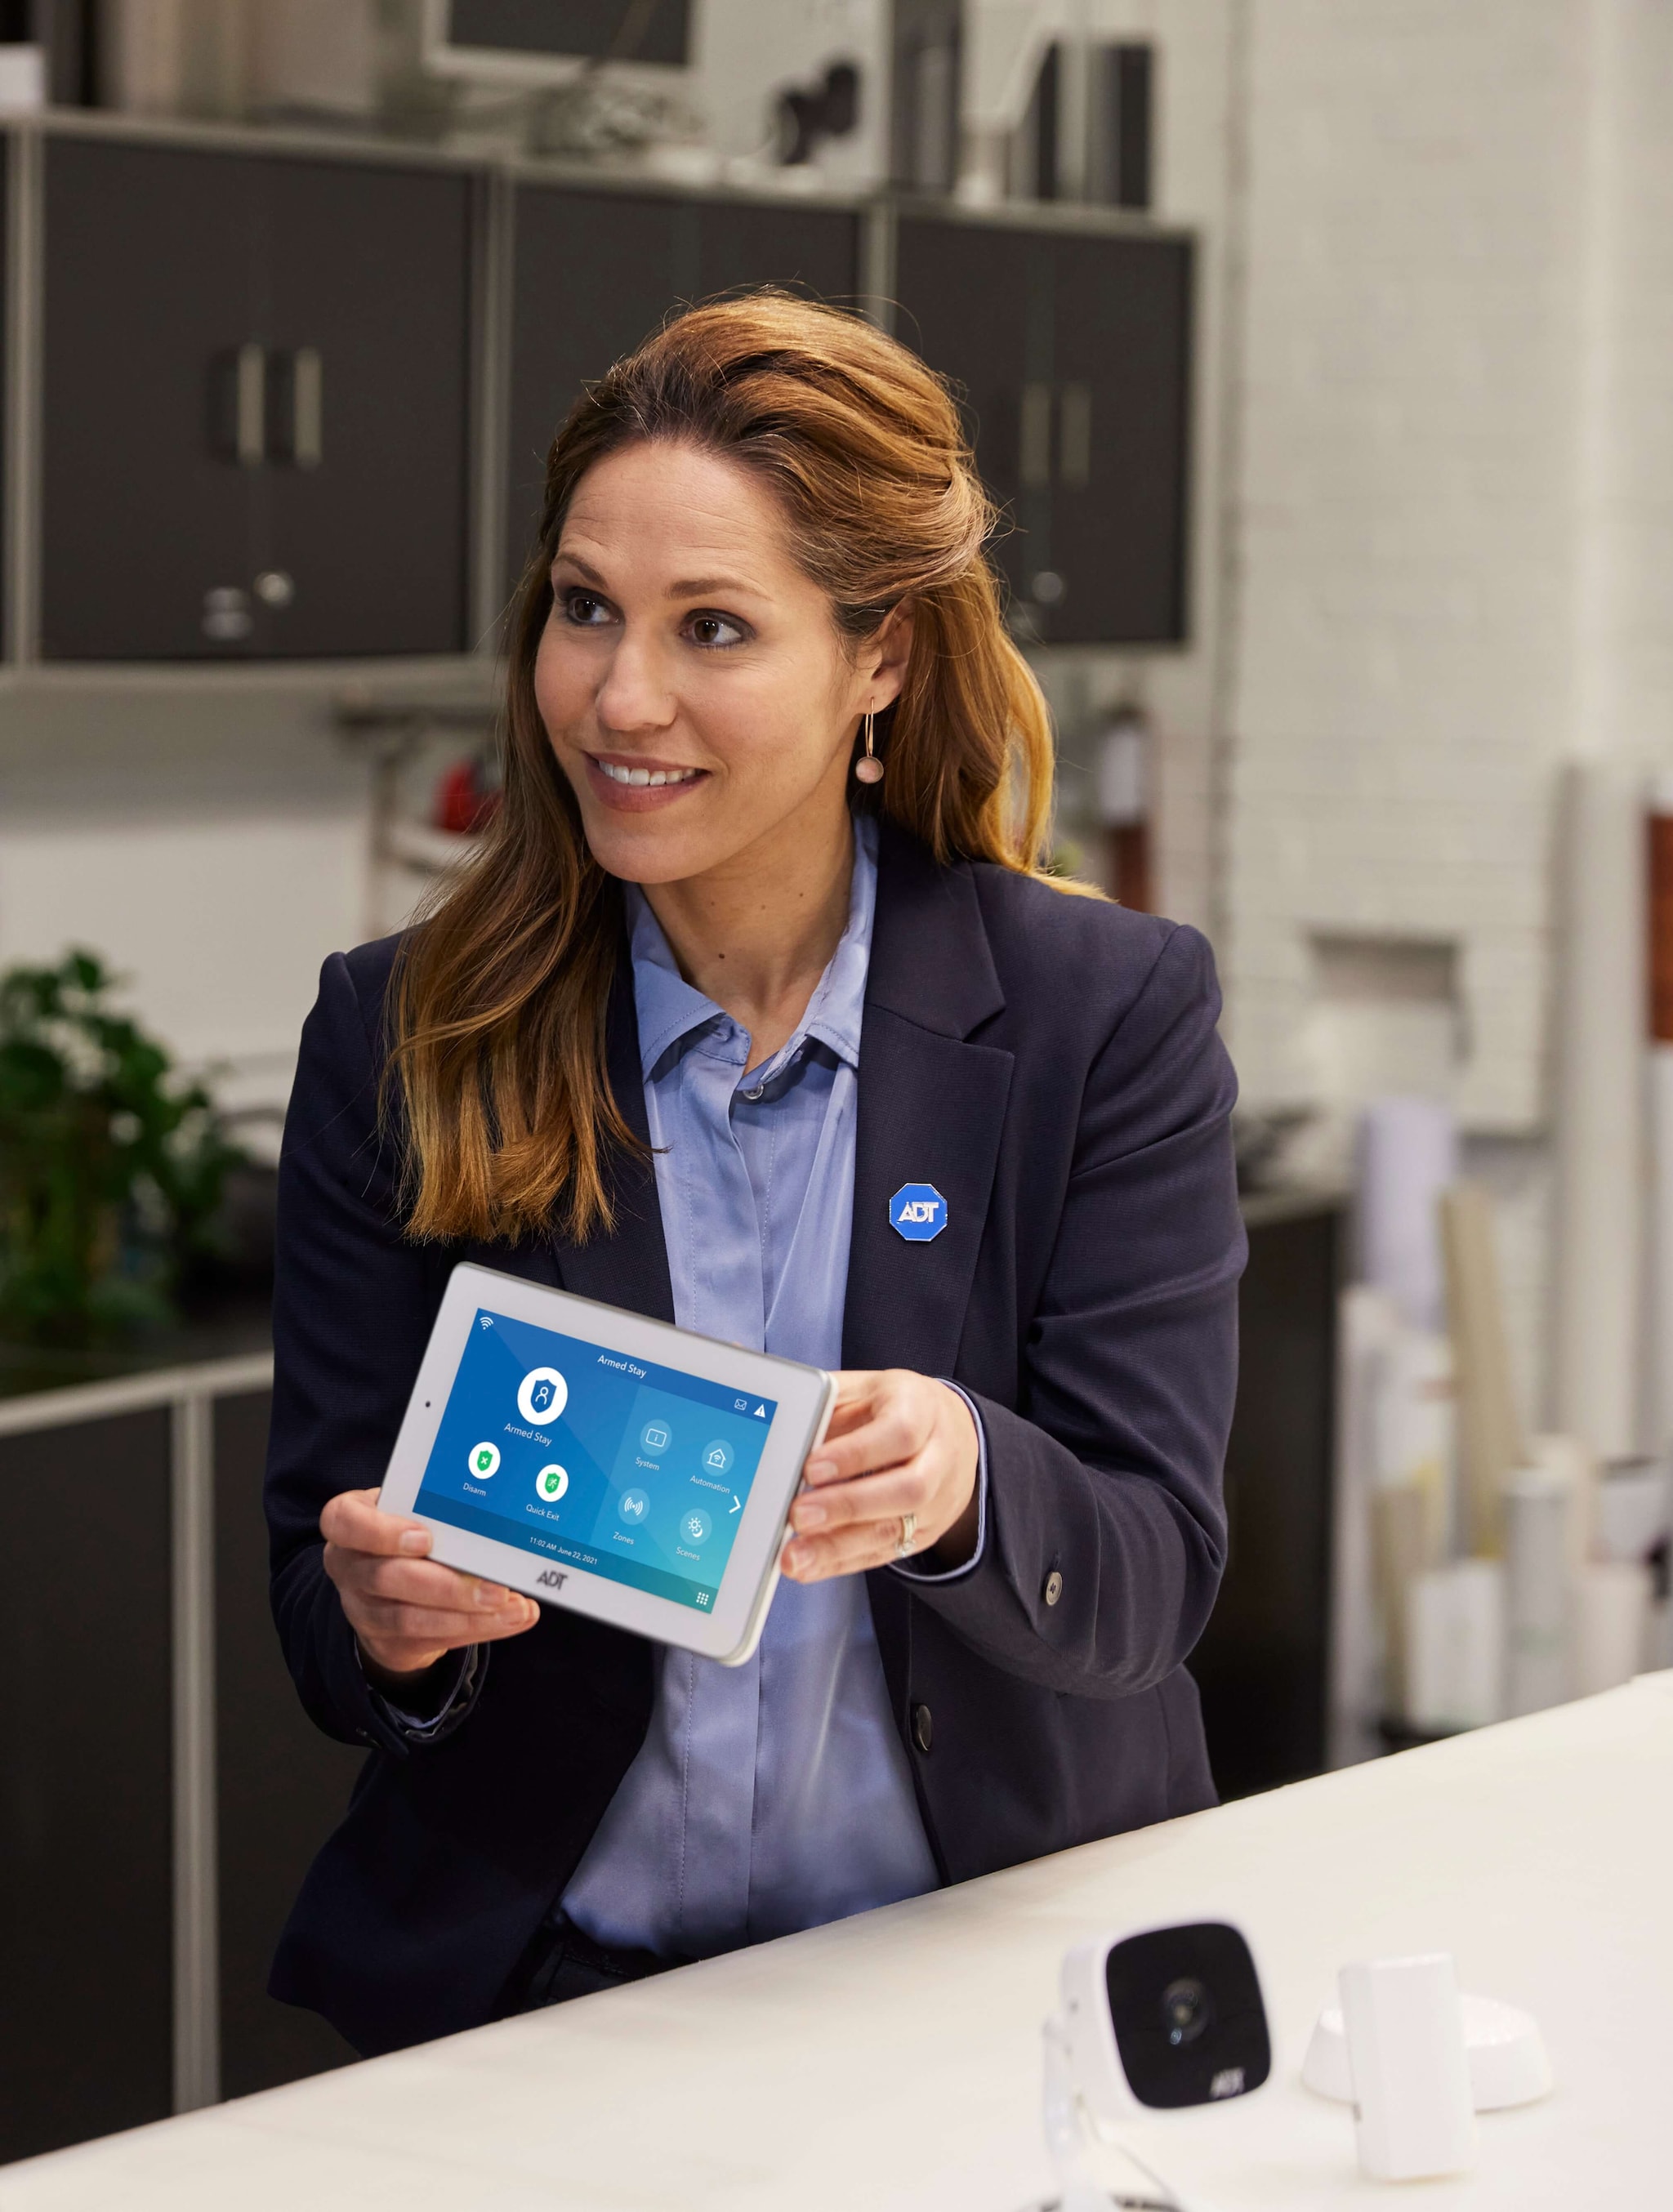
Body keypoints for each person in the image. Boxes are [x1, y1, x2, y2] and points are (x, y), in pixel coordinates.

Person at [265, 292, 1246, 2058]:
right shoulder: (404, 1031)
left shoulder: (1106, 1017)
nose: (619, 698)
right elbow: (322, 1600)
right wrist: (394, 1624)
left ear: (878, 656)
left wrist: (964, 1478)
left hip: (970, 1997)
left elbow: (1151, 1573)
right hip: (550, 2015)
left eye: (711, 625)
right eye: (585, 610)